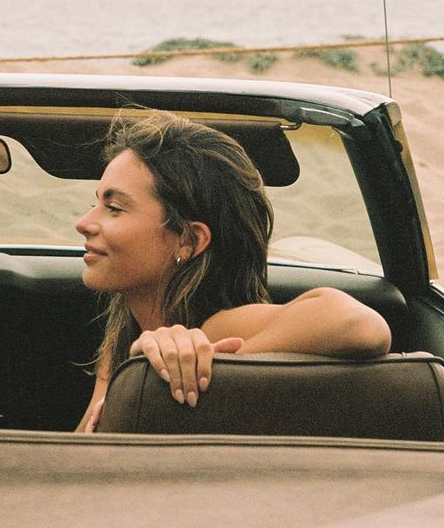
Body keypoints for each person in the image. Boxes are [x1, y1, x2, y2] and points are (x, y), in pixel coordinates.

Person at [75, 111, 391, 432]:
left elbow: (359, 324)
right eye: (96, 203)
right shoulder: (126, 330)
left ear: (188, 240)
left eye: (114, 208)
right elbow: (82, 450)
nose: (84, 223)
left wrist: (211, 366)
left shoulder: (219, 326)